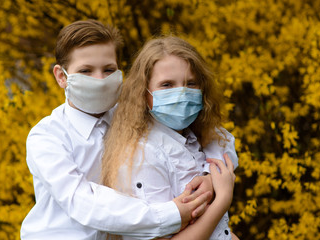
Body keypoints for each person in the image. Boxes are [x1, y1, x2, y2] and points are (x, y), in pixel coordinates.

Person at [20, 20, 214, 240]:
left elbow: (202, 132)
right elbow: (81, 201)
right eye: (86, 70)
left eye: (108, 69)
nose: (100, 80)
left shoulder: (132, 115)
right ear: (61, 76)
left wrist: (209, 175)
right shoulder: (47, 136)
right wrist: (170, 214)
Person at [101, 36, 238, 239]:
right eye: (167, 85)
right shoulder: (142, 156)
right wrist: (222, 198)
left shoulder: (195, 134)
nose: (181, 93)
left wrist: (210, 179)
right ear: (143, 93)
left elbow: (225, 146)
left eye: (191, 83)